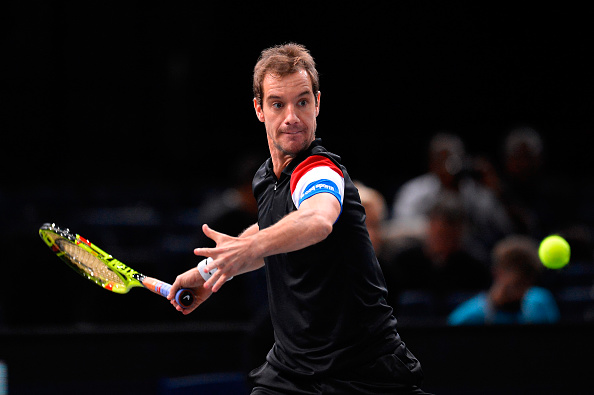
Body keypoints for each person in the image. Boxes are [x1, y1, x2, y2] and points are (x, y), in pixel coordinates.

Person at [168, 43, 429, 394]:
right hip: (292, 370)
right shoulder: (266, 178)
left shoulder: (319, 171)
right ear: (259, 109)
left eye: (302, 102)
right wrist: (208, 272)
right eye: (278, 104)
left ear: (317, 104)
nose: (292, 116)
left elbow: (317, 220)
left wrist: (248, 248)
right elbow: (274, 229)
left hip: (364, 372)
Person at [448, 235, 560, 325]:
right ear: (496, 273)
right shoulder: (469, 317)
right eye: (516, 283)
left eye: (524, 282)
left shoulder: (541, 302)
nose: (519, 290)